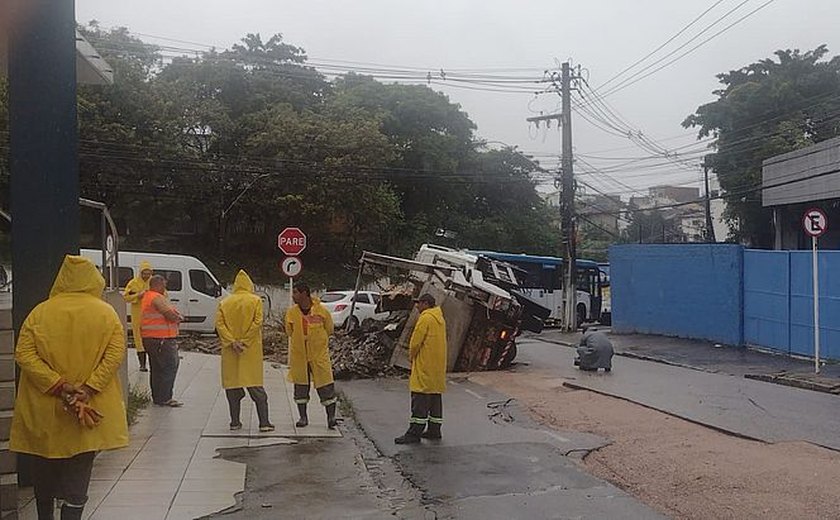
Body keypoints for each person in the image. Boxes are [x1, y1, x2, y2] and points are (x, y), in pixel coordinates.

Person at [10, 255, 129, 520]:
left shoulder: (40, 312)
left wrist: (58, 385)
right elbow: (115, 354)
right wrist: (88, 388)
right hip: (86, 407)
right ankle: (72, 512)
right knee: (80, 462)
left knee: (44, 460)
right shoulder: (105, 313)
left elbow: (24, 354)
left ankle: (44, 514)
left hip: (44, 407)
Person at [216, 270, 274, 432]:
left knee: (232, 387)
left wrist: (232, 342)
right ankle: (264, 423)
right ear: (249, 284)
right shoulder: (255, 301)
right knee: (256, 387)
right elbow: (257, 323)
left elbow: (220, 325)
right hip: (250, 352)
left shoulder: (225, 303)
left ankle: (235, 422)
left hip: (230, 352)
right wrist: (245, 341)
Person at [395, 293, 447, 445]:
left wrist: (411, 357)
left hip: (424, 365)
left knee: (420, 399)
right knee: (435, 399)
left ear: (425, 303)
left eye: (418, 303)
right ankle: (434, 430)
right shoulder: (440, 319)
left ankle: (414, 433)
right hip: (437, 367)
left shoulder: (425, 318)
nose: (416, 306)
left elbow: (415, 343)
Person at [285, 283, 338, 429]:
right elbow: (289, 331)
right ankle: (303, 418)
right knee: (301, 387)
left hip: (318, 355)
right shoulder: (291, 313)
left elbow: (329, 329)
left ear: (304, 294)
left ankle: (331, 417)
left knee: (326, 385)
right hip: (300, 356)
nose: (293, 295)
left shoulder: (321, 311)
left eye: (295, 292)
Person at [141, 274, 184, 407]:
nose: (165, 288)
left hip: (149, 338)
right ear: (158, 284)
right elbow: (168, 314)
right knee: (170, 366)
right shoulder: (157, 297)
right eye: (164, 285)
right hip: (162, 339)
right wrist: (178, 318)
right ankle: (166, 397)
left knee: (156, 369)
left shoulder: (147, 296)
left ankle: (158, 398)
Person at [122, 260, 153, 372]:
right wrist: (137, 296)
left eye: (148, 273)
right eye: (144, 273)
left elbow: (163, 295)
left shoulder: (153, 282)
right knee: (139, 340)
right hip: (138, 316)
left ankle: (153, 363)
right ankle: (142, 364)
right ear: (140, 272)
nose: (146, 275)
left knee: (151, 340)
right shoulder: (133, 283)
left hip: (151, 317)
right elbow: (125, 297)